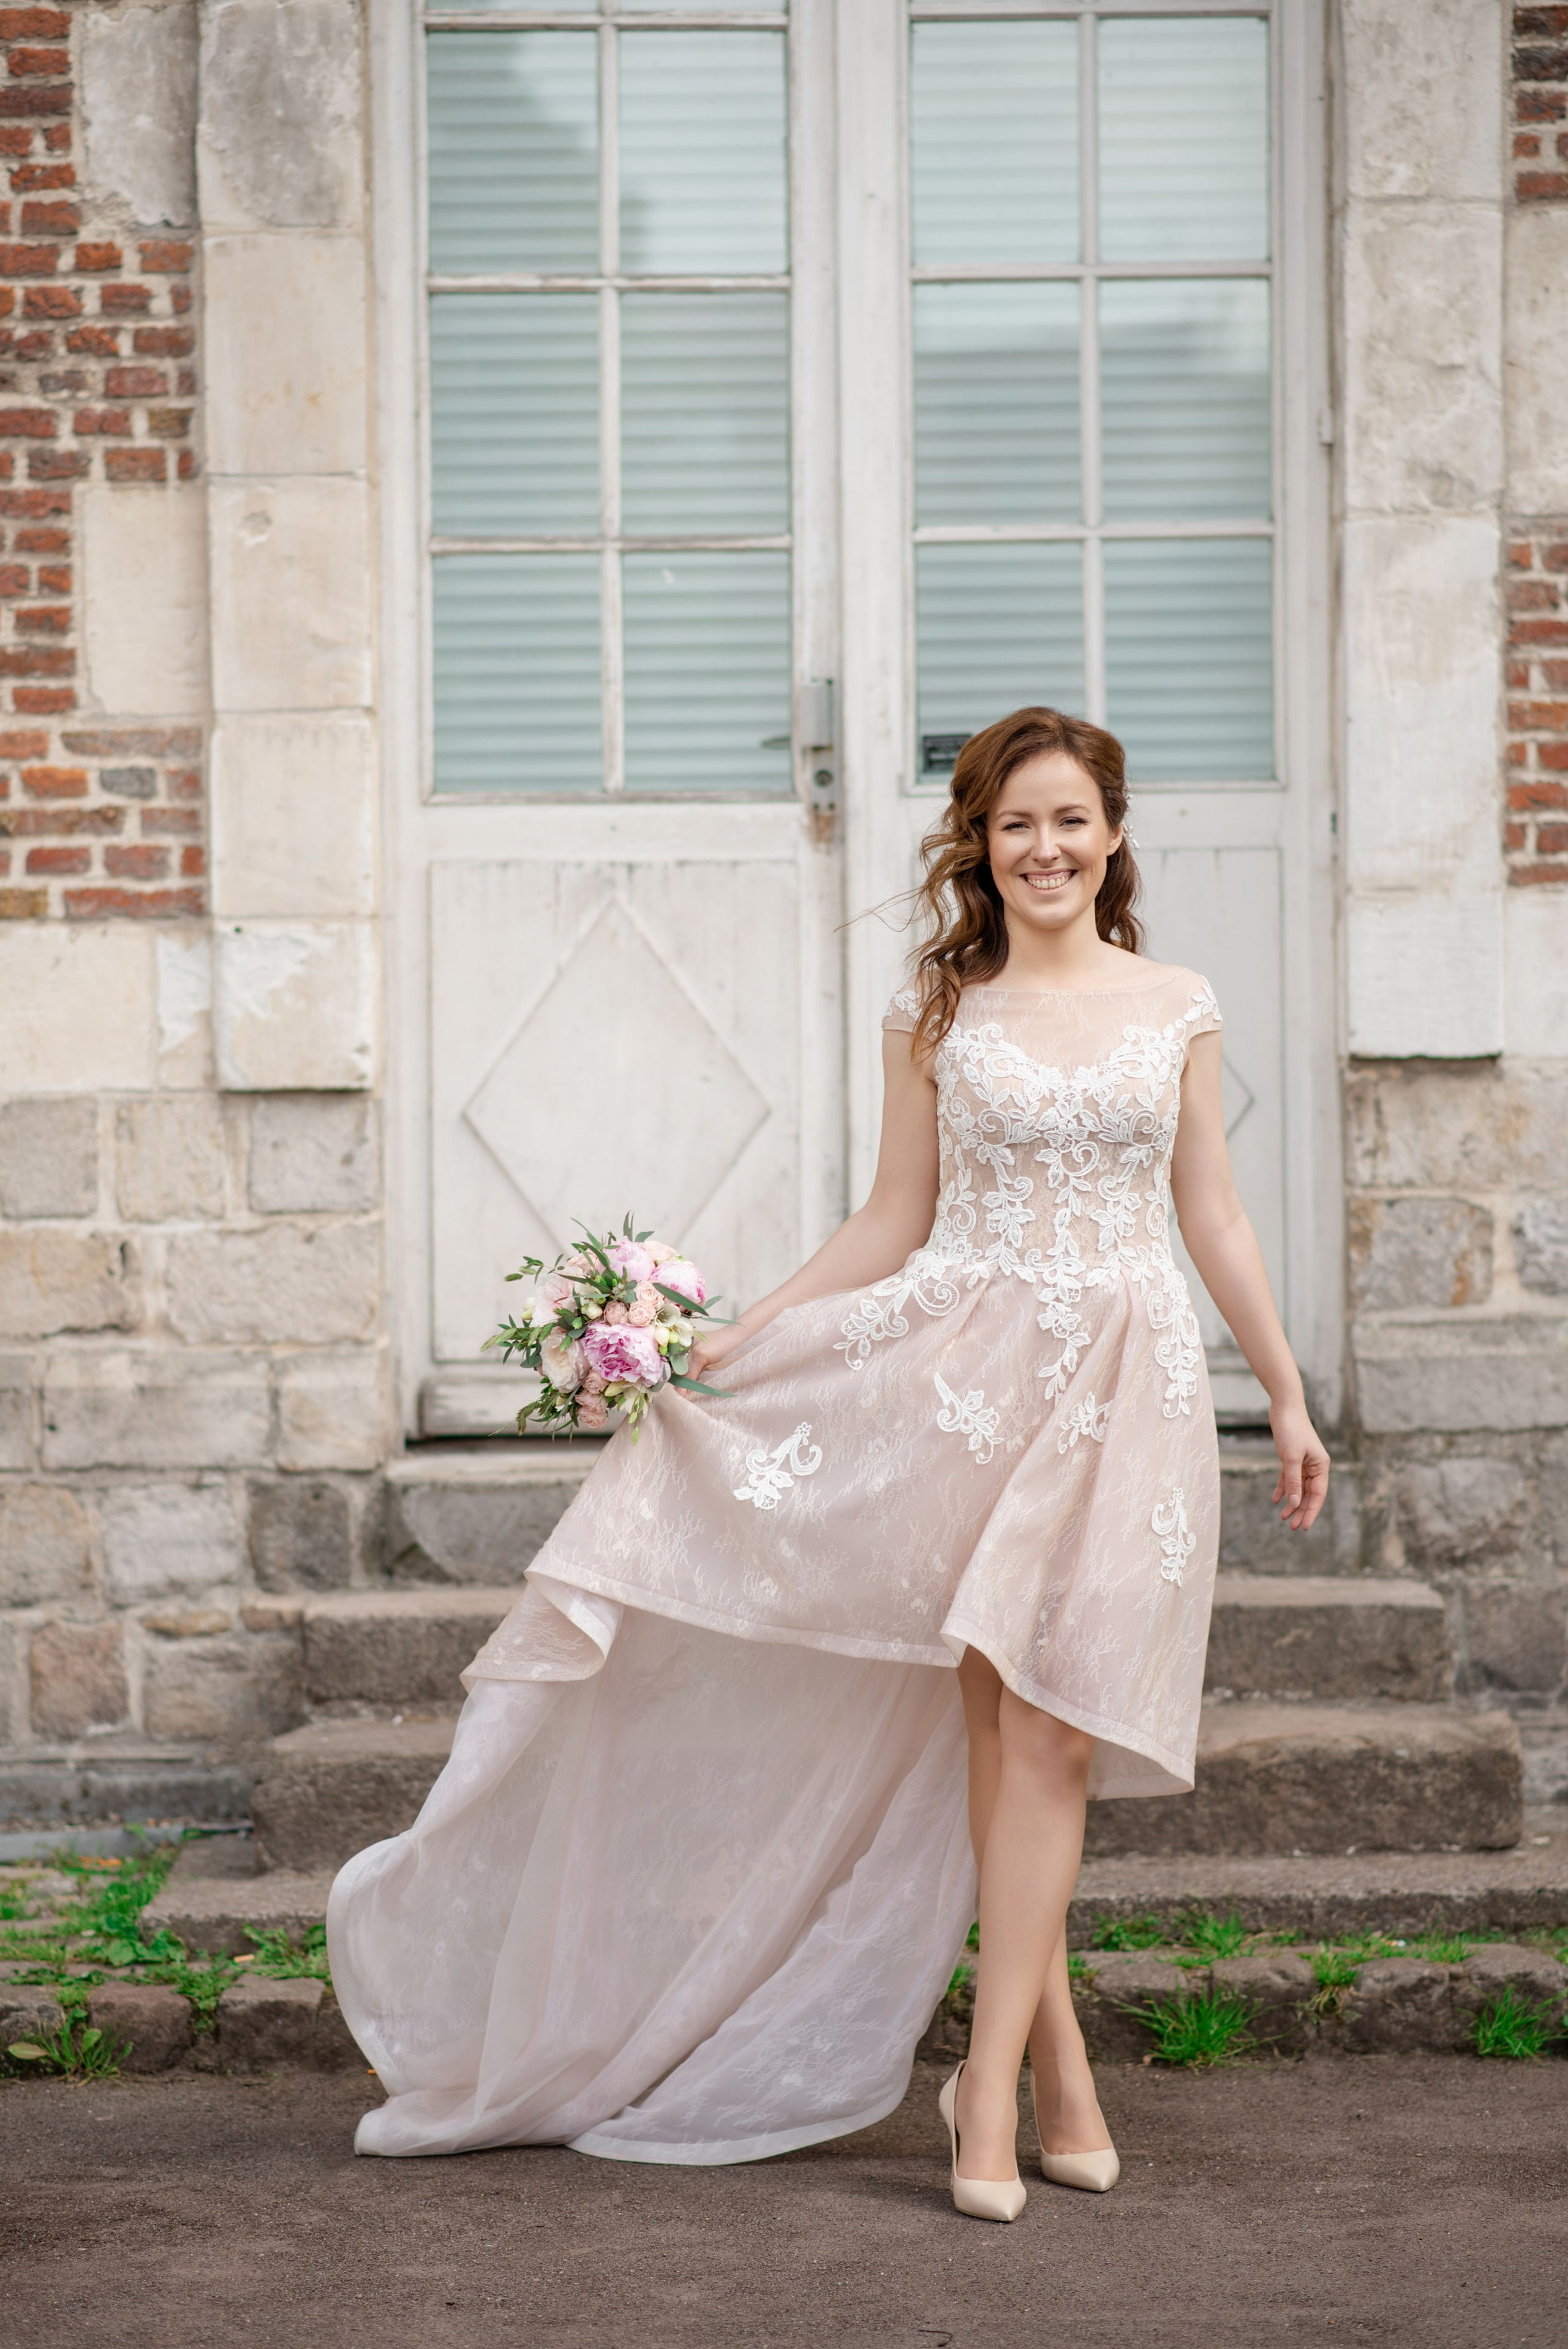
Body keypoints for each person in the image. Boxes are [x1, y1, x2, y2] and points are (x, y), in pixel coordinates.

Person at [328, 706, 1329, 2220]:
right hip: (968, 1391)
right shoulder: (939, 1009)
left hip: (1133, 1391)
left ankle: (1024, 2073)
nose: (1043, 848)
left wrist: (1287, 1393)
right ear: (978, 845)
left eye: (1068, 819)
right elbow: (890, 1216)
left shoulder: (1174, 1005)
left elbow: (1215, 1215)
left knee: (1051, 1737)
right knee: (1008, 1733)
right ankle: (1007, 2082)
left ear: (1113, 832)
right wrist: (745, 1336)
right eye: (1012, 824)